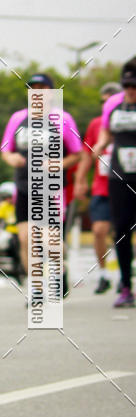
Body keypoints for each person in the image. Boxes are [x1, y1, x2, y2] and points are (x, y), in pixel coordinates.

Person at [0, 73, 82, 288]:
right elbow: (5, 150)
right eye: (33, 88)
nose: (37, 92)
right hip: (24, 187)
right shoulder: (18, 118)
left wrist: (58, 164)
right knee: (27, 240)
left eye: (42, 88)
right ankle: (35, 287)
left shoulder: (63, 119)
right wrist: (12, 158)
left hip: (51, 189)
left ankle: (61, 268)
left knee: (49, 241)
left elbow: (77, 153)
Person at [93, 58, 136, 308]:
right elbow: (106, 131)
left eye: (135, 87)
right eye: (128, 86)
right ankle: (126, 286)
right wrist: (101, 144)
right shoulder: (114, 105)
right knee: (121, 230)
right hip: (119, 175)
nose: (131, 91)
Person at [74, 82, 122, 293]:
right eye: (104, 102)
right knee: (98, 231)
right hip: (102, 186)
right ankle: (104, 274)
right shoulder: (96, 125)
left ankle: (125, 275)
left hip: (126, 185)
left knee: (123, 232)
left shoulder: (128, 121)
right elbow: (86, 155)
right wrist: (80, 180)